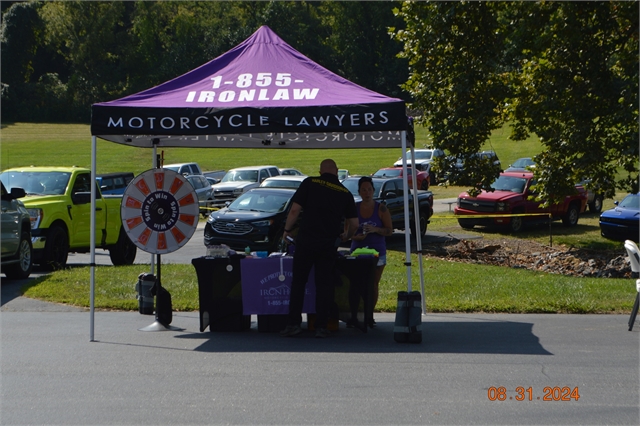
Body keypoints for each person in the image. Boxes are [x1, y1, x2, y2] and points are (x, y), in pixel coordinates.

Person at [280, 159, 358, 338]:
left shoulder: (310, 183)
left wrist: (287, 230)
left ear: (321, 171)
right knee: (324, 285)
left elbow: (294, 210)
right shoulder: (344, 192)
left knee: (299, 283)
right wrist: (346, 236)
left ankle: (293, 323)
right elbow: (354, 223)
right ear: (336, 171)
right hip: (328, 244)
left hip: (306, 241)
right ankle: (322, 326)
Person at [348, 176, 393, 327]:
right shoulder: (354, 208)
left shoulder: (381, 208)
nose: (367, 193)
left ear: (373, 191)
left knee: (372, 284)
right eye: (363, 190)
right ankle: (354, 315)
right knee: (355, 284)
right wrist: (357, 237)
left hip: (377, 251)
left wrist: (376, 230)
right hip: (357, 251)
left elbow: (389, 230)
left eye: (369, 190)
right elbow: (347, 233)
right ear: (359, 192)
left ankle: (369, 315)